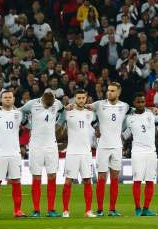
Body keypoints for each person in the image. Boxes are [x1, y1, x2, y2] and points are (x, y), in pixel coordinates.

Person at [125, 92, 158, 217]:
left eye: (143, 102)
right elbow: (124, 135)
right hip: (137, 152)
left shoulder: (152, 114)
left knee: (150, 180)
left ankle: (146, 209)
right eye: (138, 102)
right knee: (137, 180)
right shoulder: (129, 118)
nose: (141, 104)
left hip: (151, 152)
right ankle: (137, 208)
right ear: (134, 104)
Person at [21, 90, 64, 217]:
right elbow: (19, 111)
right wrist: (27, 124)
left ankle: (51, 209)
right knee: (36, 177)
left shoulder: (57, 103)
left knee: (52, 176)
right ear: (42, 100)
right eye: (46, 105)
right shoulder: (32, 104)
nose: (48, 107)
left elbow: (63, 111)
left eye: (50, 106)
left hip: (51, 145)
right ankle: (36, 210)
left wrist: (59, 124)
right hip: (36, 145)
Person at [91, 83, 130, 216]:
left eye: (112, 91)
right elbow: (86, 109)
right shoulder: (99, 104)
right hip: (102, 146)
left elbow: (137, 111)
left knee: (114, 177)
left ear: (119, 92)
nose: (109, 93)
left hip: (117, 146)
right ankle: (100, 209)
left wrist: (151, 109)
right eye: (108, 90)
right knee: (101, 177)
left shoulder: (124, 106)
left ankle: (112, 209)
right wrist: (95, 125)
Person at [0, 90, 25, 218]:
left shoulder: (19, 113)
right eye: (5, 97)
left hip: (14, 153)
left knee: (16, 181)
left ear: (14, 99)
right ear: (1, 99)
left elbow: (28, 123)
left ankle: (17, 210)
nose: (8, 99)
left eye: (10, 97)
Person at [62, 88, 96, 218]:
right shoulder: (68, 112)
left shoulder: (90, 113)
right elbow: (58, 121)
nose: (81, 100)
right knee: (68, 181)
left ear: (86, 98)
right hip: (72, 152)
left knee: (87, 180)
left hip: (86, 152)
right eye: (78, 98)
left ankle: (88, 210)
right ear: (74, 99)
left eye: (83, 98)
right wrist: (64, 109)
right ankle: (65, 210)